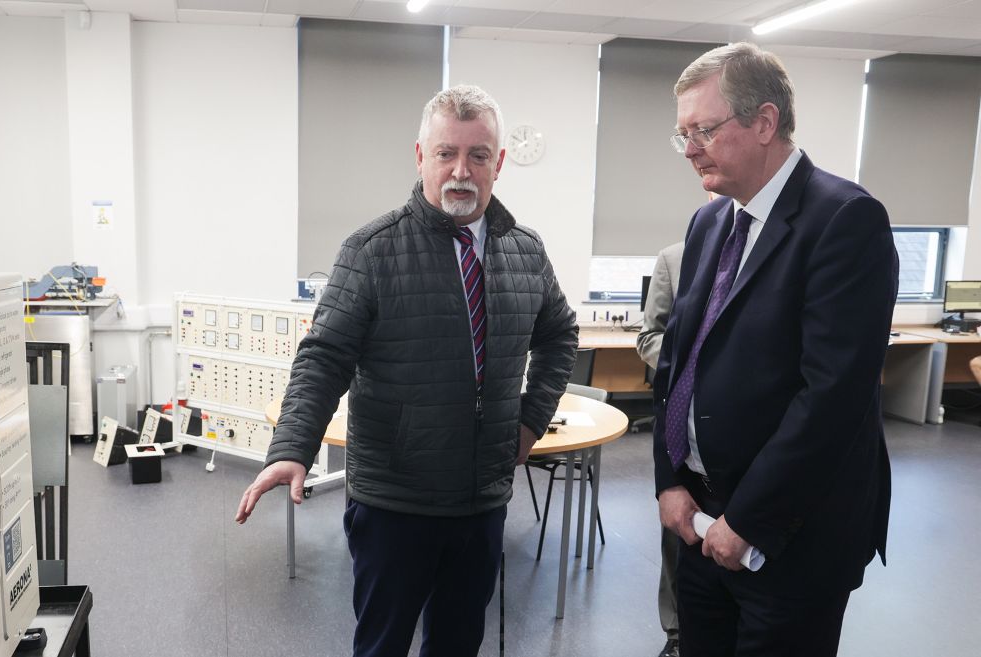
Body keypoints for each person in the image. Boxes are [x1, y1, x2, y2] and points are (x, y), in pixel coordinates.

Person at [235, 84, 578, 657]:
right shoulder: (371, 250)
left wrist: (529, 420)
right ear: (421, 157)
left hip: (482, 501)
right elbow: (324, 357)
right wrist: (292, 448)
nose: (461, 171)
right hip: (395, 503)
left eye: (478, 155)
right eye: (446, 153)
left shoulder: (526, 250)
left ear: (499, 162)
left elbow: (560, 334)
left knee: (458, 644)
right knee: (382, 646)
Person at [654, 42, 897, 656]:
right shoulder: (711, 221)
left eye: (703, 131)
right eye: (683, 135)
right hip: (701, 519)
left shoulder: (845, 219)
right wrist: (669, 480)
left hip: (790, 536)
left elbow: (832, 399)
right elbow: (679, 361)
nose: (690, 149)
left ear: (764, 122)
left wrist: (749, 521)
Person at [636, 240, 684, 657]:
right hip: (683, 419)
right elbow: (649, 336)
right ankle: (676, 633)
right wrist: (688, 362)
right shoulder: (674, 258)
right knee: (678, 534)